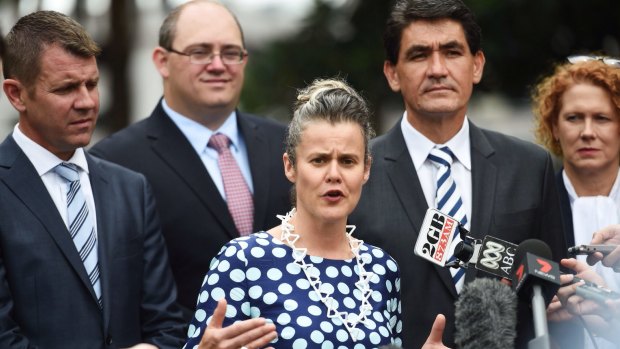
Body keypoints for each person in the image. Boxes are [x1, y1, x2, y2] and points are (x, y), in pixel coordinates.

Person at [349, 0, 568, 348]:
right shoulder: (354, 172)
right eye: (419, 55)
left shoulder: (530, 166)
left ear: (476, 65)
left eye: (452, 52)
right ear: (392, 73)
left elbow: (555, 295)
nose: (437, 69)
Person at [90, 0, 291, 319]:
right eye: (199, 52)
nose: (217, 65)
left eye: (230, 53)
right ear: (162, 61)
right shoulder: (112, 164)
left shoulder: (289, 145)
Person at [0, 11, 186, 347]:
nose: (86, 102)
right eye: (66, 88)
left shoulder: (131, 189)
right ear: (16, 95)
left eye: (92, 84)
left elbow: (167, 325)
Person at [184, 78, 405, 349]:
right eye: (319, 160)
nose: (334, 175)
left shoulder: (382, 269)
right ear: (290, 166)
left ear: (366, 169)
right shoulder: (243, 261)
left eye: (348, 161)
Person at [533, 55, 620, 293]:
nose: (587, 132)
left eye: (602, 118)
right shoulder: (532, 208)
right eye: (574, 118)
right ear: (554, 127)